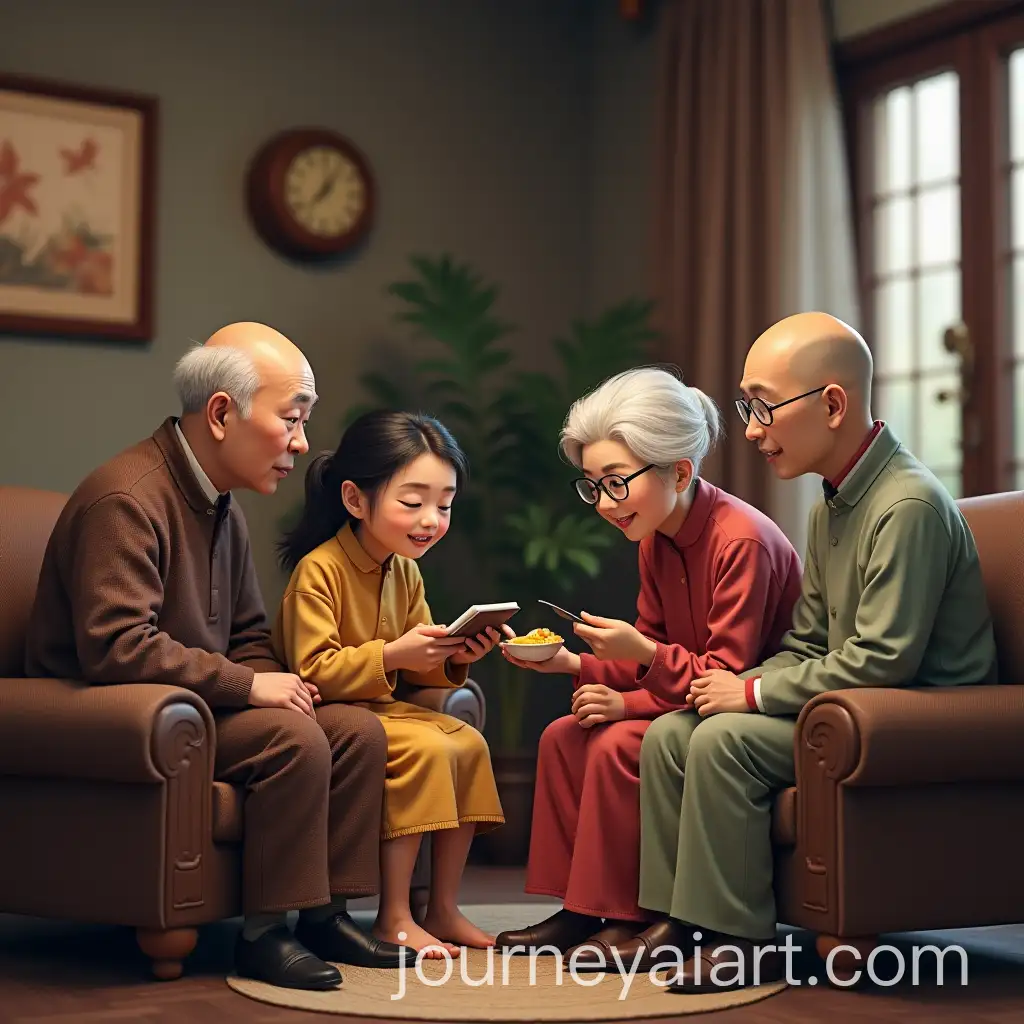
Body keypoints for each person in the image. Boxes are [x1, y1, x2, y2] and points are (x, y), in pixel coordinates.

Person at [25, 322, 414, 992]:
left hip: (194, 704)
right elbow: (116, 646)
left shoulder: (222, 505)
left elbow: (250, 634)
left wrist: (275, 680)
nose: (301, 443)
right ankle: (263, 935)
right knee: (294, 740)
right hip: (110, 714)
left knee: (352, 729)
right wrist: (249, 687)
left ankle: (325, 914)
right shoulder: (127, 497)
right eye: (291, 420)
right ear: (222, 413)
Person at [638, 312, 998, 992]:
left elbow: (884, 659)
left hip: (917, 717)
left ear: (833, 404)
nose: (749, 429)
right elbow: (806, 642)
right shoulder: (830, 503)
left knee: (724, 743)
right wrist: (728, 685)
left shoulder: (907, 504)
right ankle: (673, 920)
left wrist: (745, 694)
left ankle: (738, 939)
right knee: (672, 733)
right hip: (850, 703)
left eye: (763, 407)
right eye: (748, 407)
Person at [493, 366, 803, 970]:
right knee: (563, 736)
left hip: (742, 709)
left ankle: (629, 914)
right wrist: (571, 664)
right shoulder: (656, 538)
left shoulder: (741, 542)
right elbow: (652, 652)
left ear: (680, 471)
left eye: (615, 484)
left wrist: (629, 693)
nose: (605, 505)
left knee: (616, 747)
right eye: (591, 486)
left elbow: (721, 676)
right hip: (689, 699)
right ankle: (582, 909)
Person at [274, 410, 506, 960]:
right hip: (330, 717)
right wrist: (395, 654)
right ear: (356, 500)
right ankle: (393, 916)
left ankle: (443, 908)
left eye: (444, 504)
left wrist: (454, 655)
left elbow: (415, 665)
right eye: (412, 502)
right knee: (427, 746)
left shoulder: (406, 571)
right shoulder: (319, 570)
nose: (431, 519)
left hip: (385, 709)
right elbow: (313, 672)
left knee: (467, 741)